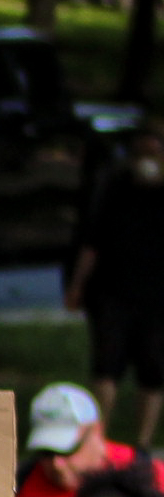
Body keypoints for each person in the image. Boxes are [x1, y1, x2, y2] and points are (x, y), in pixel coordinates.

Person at [67, 115, 164, 449]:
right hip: (113, 292)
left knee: (153, 368)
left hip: (156, 298)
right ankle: (100, 436)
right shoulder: (116, 187)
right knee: (107, 365)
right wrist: (78, 284)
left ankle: (143, 442)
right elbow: (92, 240)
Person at [13, 381, 142, 497]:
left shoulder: (147, 475)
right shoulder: (19, 482)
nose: (56, 464)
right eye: (46, 452)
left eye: (67, 450)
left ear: (97, 431)